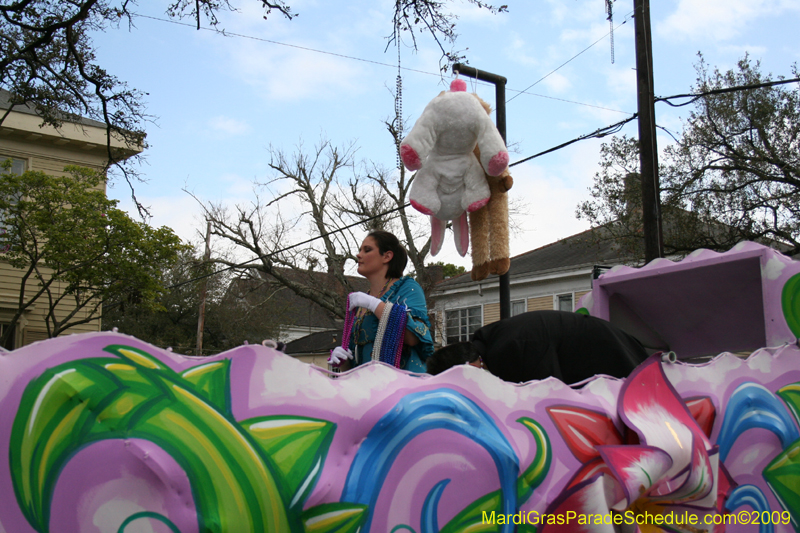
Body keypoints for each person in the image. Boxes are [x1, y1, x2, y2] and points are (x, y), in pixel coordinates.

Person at [426, 310, 648, 384]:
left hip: (605, 352)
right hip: (597, 346)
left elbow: (547, 393)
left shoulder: (508, 350)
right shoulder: (493, 343)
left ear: (468, 367)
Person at [329, 230, 433, 372]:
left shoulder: (407, 287)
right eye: (360, 250)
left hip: (404, 387)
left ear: (387, 256)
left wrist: (374, 304)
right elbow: (356, 363)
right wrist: (344, 361)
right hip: (368, 389)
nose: (359, 255)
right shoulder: (361, 304)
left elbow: (413, 337)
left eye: (367, 250)